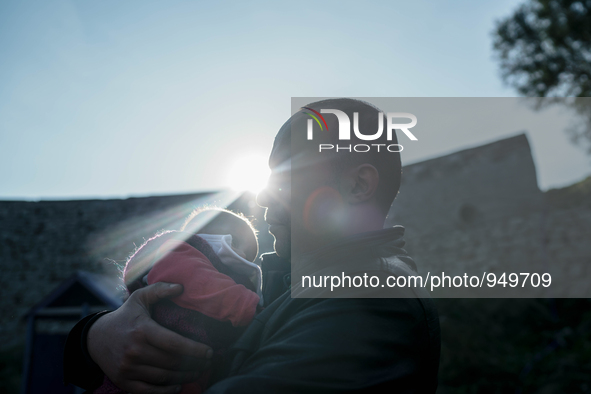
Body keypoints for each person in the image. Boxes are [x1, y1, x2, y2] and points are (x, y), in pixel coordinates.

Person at [64, 98, 441, 393]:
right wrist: (96, 337)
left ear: (358, 185)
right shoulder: (284, 283)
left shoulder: (375, 302)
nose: (262, 201)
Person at [94, 208, 263, 394]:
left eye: (250, 255)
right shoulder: (177, 252)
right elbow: (196, 279)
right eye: (237, 243)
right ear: (201, 233)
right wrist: (245, 305)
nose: (244, 257)